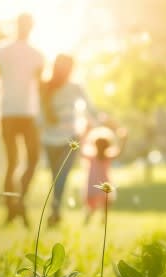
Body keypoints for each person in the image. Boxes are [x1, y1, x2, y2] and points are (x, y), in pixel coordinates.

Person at [0, 13, 45, 227]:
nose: (25, 27)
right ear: (17, 25)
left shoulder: (37, 54)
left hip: (29, 114)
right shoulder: (1, 51)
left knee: (34, 158)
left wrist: (45, 114)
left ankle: (19, 202)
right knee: (11, 162)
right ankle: (11, 208)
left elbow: (41, 87)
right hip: (7, 112)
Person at [41, 54, 99, 227]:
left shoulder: (71, 87)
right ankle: (55, 210)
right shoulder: (48, 86)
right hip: (56, 139)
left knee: (59, 176)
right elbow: (91, 109)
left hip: (63, 140)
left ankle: (55, 210)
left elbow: (91, 109)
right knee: (58, 177)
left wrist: (99, 122)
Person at [81, 127, 126, 224]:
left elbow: (81, 150)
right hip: (104, 184)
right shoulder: (107, 156)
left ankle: (88, 220)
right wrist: (123, 140)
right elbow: (119, 152)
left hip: (92, 185)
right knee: (105, 204)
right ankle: (102, 220)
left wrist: (83, 135)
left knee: (91, 206)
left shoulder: (91, 156)